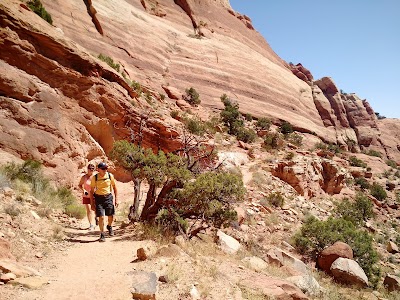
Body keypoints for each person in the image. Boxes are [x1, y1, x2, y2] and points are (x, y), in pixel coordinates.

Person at [90, 162, 118, 242]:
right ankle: (102, 234)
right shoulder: (94, 178)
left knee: (110, 216)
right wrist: (92, 204)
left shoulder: (110, 176)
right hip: (98, 198)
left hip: (108, 197)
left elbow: (115, 187)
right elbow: (91, 192)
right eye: (103, 168)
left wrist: (116, 199)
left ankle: (109, 226)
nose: (105, 170)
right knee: (101, 217)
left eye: (106, 168)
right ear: (98, 169)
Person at [78, 163, 95, 230]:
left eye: (92, 169)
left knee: (95, 209)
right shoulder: (84, 177)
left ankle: (96, 219)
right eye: (90, 169)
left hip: (94, 196)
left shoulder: (95, 177)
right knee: (89, 210)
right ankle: (91, 224)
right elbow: (79, 185)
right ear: (87, 169)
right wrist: (83, 190)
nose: (91, 170)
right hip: (86, 195)